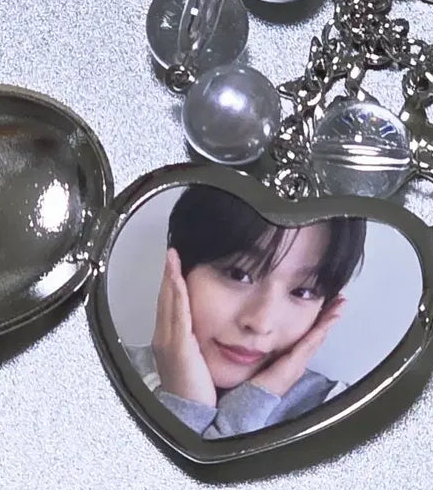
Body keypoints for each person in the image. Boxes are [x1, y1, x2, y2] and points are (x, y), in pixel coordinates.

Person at [126, 185, 366, 439]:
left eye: (303, 291)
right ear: (179, 267)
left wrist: (252, 404)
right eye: (238, 274)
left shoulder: (343, 416)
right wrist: (184, 408)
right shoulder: (106, 376)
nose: (261, 323)